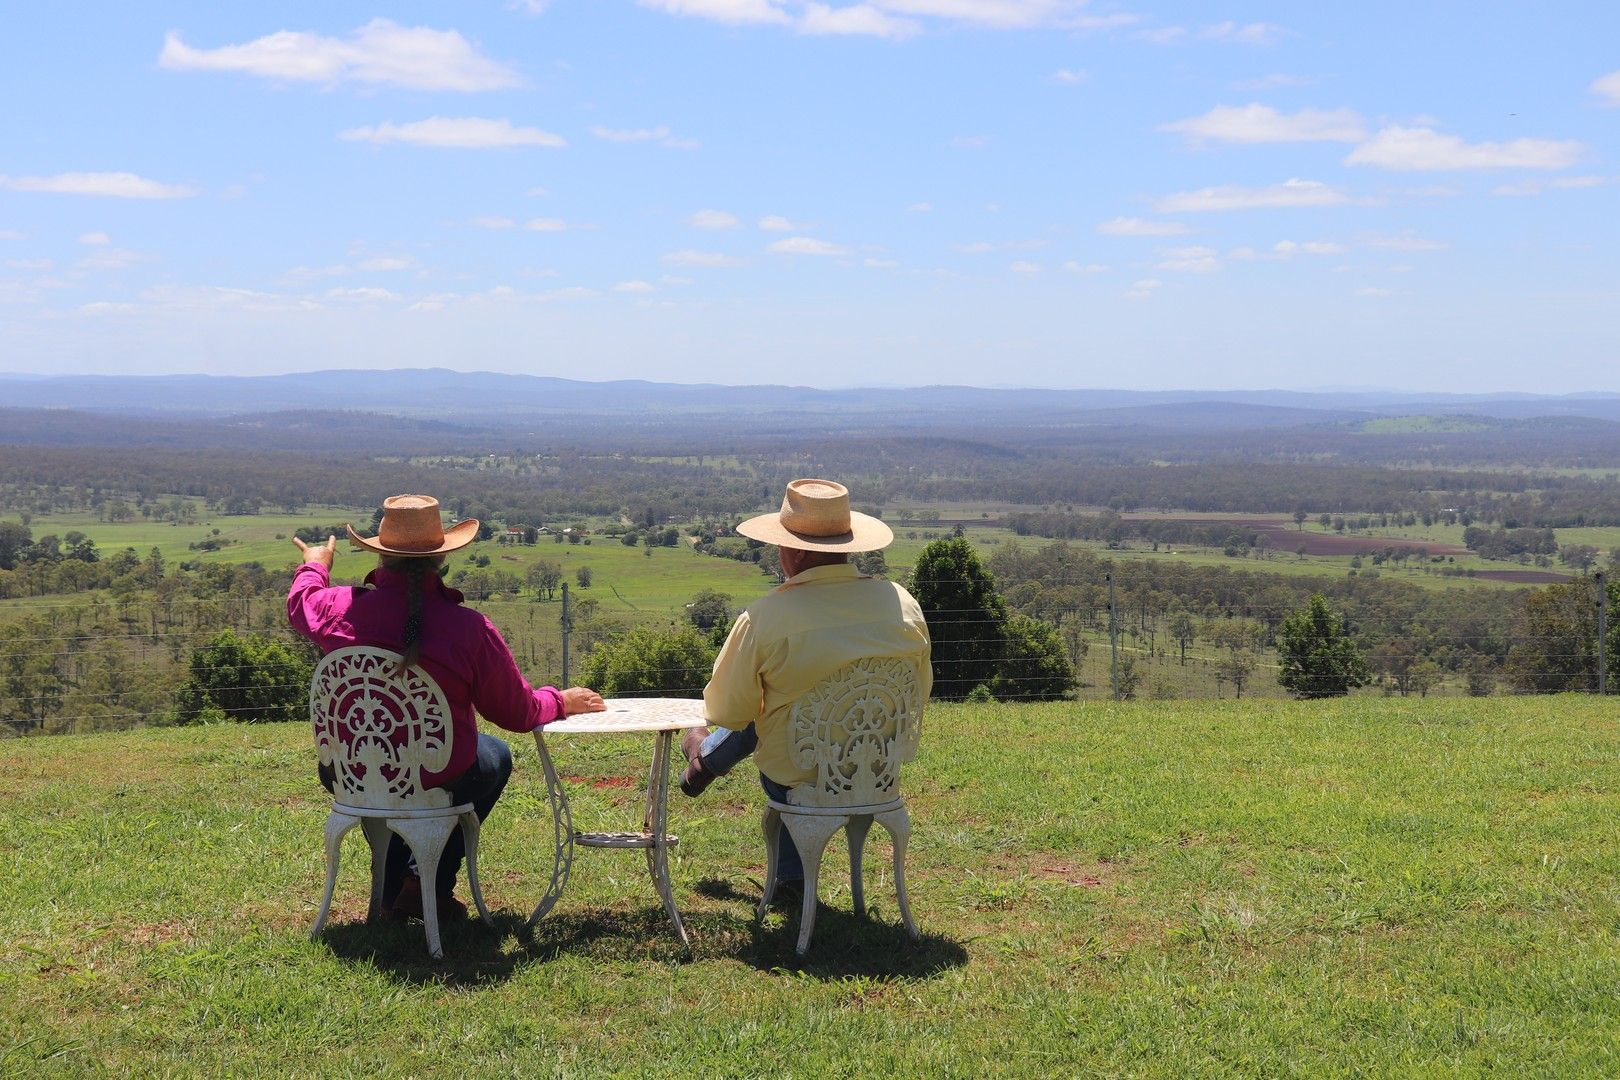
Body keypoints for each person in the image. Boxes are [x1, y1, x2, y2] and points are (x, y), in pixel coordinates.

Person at [288, 494, 604, 920]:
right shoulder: (469, 628)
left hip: (350, 771)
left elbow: (300, 605)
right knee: (493, 756)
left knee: (405, 775)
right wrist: (559, 701)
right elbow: (517, 713)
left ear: (380, 557)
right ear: (441, 560)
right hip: (433, 775)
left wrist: (316, 562)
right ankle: (423, 885)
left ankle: (396, 886)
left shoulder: (337, 608)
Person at [680, 479, 931, 897]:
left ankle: (707, 761)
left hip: (798, 768)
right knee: (782, 713)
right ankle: (706, 760)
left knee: (768, 718)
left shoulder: (766, 617)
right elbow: (916, 692)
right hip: (876, 766)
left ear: (793, 553)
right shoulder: (903, 603)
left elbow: (728, 711)